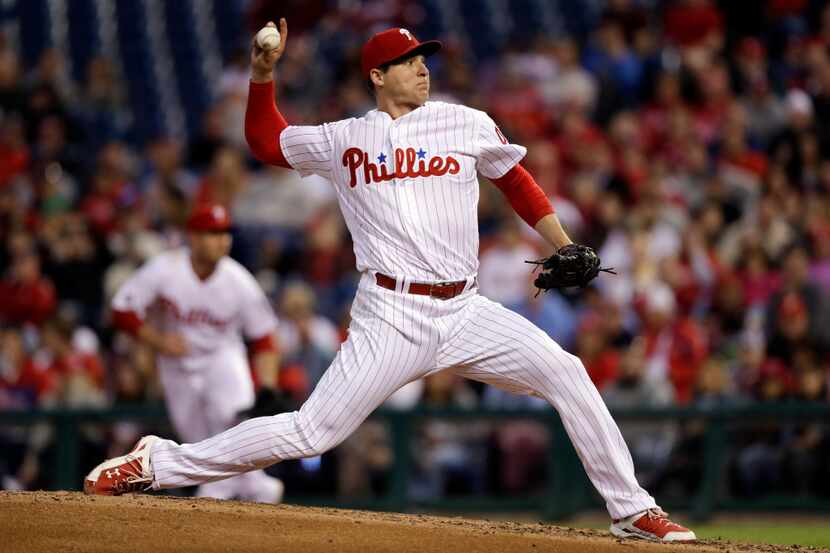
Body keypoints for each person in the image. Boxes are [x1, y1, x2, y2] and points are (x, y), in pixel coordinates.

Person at [84, 20, 694, 541]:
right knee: (311, 431)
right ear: (378, 76)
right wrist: (262, 75)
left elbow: (514, 180)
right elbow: (265, 141)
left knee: (566, 372)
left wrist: (561, 243)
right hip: (390, 315)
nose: (421, 68)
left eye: (422, 58)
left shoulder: (464, 122)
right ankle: (158, 464)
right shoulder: (345, 137)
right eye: (407, 61)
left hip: (465, 310)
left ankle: (633, 510)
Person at [95, 202, 284, 503]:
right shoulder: (167, 268)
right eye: (212, 233)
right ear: (193, 237)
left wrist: (269, 384)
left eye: (224, 232)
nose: (222, 239)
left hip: (223, 359)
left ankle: (216, 493)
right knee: (196, 440)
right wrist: (156, 340)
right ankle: (258, 489)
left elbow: (264, 338)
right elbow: (122, 309)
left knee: (228, 421)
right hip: (176, 365)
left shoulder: (239, 281)